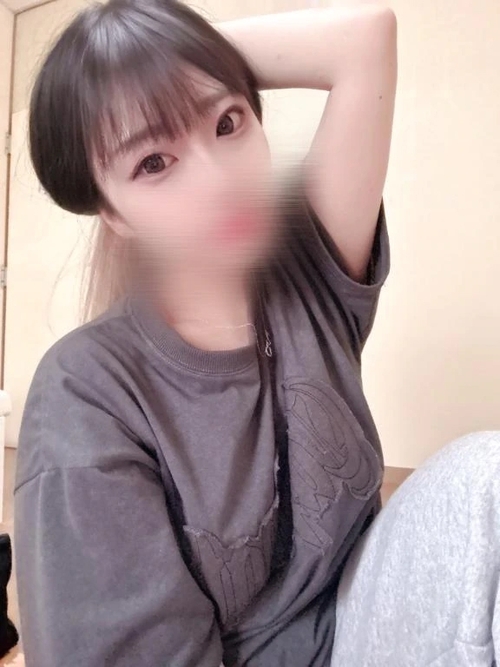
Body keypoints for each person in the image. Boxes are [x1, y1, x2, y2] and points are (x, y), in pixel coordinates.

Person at [13, 0, 500, 665]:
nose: (222, 183)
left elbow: (365, 39)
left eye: (227, 122)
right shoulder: (86, 392)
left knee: (487, 476)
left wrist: (168, 60)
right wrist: (169, 78)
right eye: (154, 163)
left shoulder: (309, 268)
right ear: (114, 214)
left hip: (362, 610)